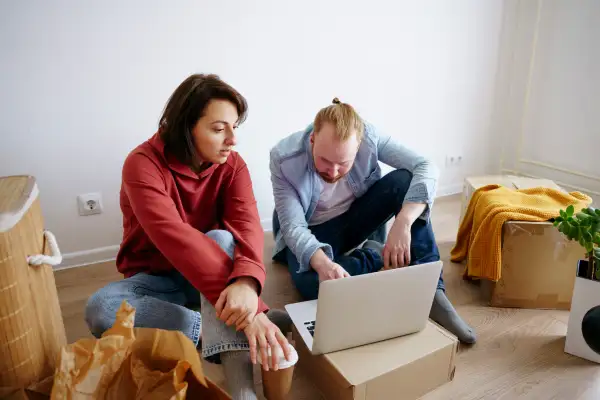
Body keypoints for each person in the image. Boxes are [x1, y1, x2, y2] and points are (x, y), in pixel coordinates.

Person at [85, 74, 292, 400]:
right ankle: (216, 324)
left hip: (209, 277)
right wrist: (250, 314)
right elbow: (177, 239)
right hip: (156, 280)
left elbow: (249, 227)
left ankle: (242, 390)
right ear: (186, 126)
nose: (232, 139)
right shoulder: (141, 164)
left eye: (235, 126)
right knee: (101, 309)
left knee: (221, 238)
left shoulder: (232, 165)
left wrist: (248, 285)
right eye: (218, 128)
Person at [269, 98, 476, 344]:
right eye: (324, 161)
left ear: (357, 148)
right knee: (311, 284)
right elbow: (293, 227)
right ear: (313, 139)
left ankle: (433, 291)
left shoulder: (369, 136)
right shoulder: (284, 158)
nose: (333, 172)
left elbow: (426, 166)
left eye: (343, 163)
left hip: (355, 217)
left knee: (404, 180)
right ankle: (376, 256)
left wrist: (404, 221)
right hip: (312, 231)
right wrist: (323, 264)